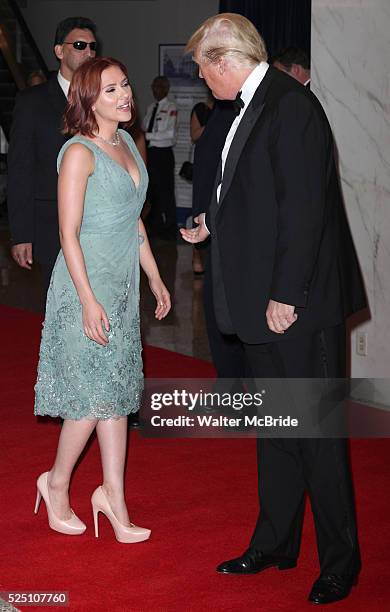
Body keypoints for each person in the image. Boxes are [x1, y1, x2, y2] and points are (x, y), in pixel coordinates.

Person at [182, 14, 366, 604]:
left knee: (317, 435)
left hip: (296, 306)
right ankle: (276, 543)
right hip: (262, 304)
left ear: (223, 58)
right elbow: (257, 196)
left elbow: (305, 211)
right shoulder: (247, 108)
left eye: (201, 68)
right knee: (277, 431)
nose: (202, 80)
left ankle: (341, 561)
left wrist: (287, 294)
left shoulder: (290, 106)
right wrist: (213, 221)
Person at [34, 57, 171, 543]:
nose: (125, 95)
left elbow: (135, 221)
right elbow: (67, 233)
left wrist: (154, 276)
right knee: (89, 401)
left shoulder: (129, 145)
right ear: (89, 99)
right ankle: (56, 483)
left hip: (123, 285)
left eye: (125, 85)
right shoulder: (79, 153)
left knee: (117, 394)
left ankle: (112, 495)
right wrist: (89, 299)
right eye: (111, 90)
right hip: (83, 286)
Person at [7, 16, 97, 301]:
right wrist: (22, 234)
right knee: (61, 306)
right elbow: (20, 169)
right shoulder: (32, 101)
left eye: (93, 47)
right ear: (59, 51)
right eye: (80, 45)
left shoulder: (102, 99)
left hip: (98, 223)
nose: (88, 53)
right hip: (51, 226)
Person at [142, 76, 177, 240]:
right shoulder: (150, 107)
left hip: (164, 154)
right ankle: (155, 227)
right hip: (151, 154)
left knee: (166, 191)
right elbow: (144, 128)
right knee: (152, 192)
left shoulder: (171, 107)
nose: (154, 90)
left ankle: (170, 227)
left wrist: (147, 136)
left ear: (165, 89)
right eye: (153, 86)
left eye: (158, 86)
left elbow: (169, 134)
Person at [190, 90, 215, 275]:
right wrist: (214, 124)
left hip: (219, 162)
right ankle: (196, 255)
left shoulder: (230, 109)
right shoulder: (200, 109)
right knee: (200, 204)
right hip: (204, 163)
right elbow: (194, 134)